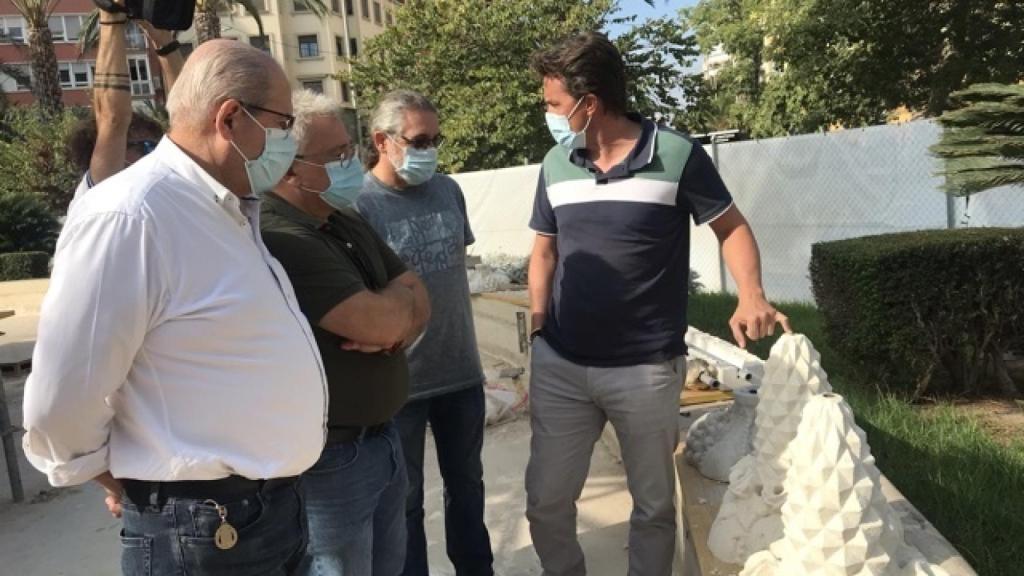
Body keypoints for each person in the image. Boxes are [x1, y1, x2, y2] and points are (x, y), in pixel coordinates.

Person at [21, 40, 327, 576]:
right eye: (283, 123)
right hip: (203, 531)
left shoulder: (222, 208)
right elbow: (61, 397)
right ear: (230, 118)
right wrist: (118, 480)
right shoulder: (130, 215)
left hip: (265, 513)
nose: (289, 139)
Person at [525, 32, 791, 576]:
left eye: (553, 103)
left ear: (589, 103)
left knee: (653, 507)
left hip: (645, 370)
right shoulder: (555, 163)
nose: (547, 114)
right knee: (546, 501)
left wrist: (751, 293)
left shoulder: (676, 154)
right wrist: (537, 331)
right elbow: (544, 251)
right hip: (562, 367)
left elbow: (732, 227)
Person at [260, 90, 431, 576]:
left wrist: (394, 322)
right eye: (336, 155)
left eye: (349, 150)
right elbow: (383, 317)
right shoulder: (281, 235)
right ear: (290, 169)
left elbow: (420, 295)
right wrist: (394, 316)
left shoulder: (341, 218)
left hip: (381, 441)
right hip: (332, 463)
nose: (350, 163)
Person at [356, 90, 494, 576]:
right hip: (400, 386)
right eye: (418, 141)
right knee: (404, 502)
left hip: (461, 374)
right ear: (383, 141)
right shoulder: (359, 206)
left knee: (468, 489)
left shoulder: (448, 191)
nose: (430, 150)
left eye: (435, 140)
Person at [67, 0, 184, 201]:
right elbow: (113, 120)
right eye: (143, 146)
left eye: (154, 146)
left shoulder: (166, 190)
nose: (152, 154)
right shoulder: (101, 191)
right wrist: (111, 16)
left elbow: (189, 118)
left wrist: (165, 41)